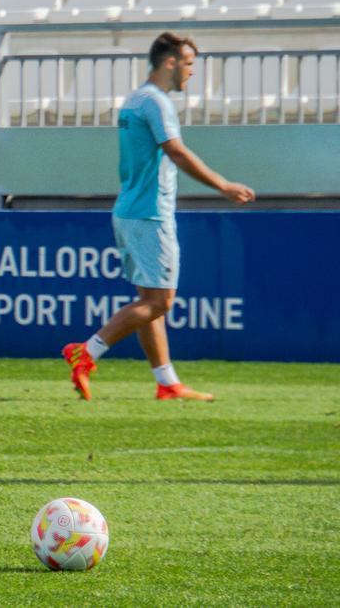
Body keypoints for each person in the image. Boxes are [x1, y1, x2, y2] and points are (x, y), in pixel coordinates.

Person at [62, 32, 255, 402]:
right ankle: (86, 352)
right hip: (150, 213)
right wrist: (224, 185)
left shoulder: (134, 100)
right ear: (170, 62)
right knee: (160, 302)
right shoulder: (156, 102)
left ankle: (166, 382)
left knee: (150, 300)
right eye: (188, 64)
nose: (191, 73)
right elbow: (177, 152)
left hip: (130, 211)